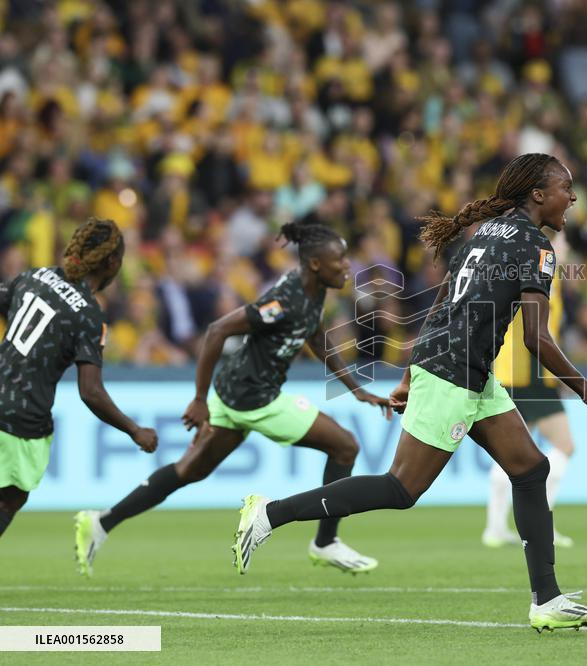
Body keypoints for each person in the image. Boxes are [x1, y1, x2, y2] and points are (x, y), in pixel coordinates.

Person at [231, 153, 587, 632]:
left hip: (465, 370)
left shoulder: (486, 233)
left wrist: (413, 371)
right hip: (454, 371)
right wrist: (583, 389)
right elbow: (535, 336)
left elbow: (443, 299)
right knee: (401, 488)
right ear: (538, 194)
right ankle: (269, 514)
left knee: (531, 468)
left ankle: (547, 600)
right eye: (565, 188)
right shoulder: (534, 246)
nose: (572, 197)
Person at [74, 220, 389, 576]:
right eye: (340, 260)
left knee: (187, 471)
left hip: (233, 393)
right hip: (257, 400)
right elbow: (217, 329)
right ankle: (324, 542)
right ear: (316, 264)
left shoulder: (312, 292)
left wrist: (356, 388)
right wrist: (197, 398)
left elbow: (314, 335)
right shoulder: (283, 301)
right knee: (345, 447)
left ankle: (101, 522)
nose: (347, 265)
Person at [0, 218, 158, 538]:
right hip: (21, 418)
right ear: (112, 263)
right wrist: (135, 429)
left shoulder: (33, 276)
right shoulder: (88, 314)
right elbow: (90, 391)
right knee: (9, 499)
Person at [484, 239, 576, 549]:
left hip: (533, 375)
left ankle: (498, 528)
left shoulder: (550, 276)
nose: (564, 248)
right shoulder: (534, 272)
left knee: (522, 452)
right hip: (524, 375)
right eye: (561, 244)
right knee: (559, 446)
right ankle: (528, 526)